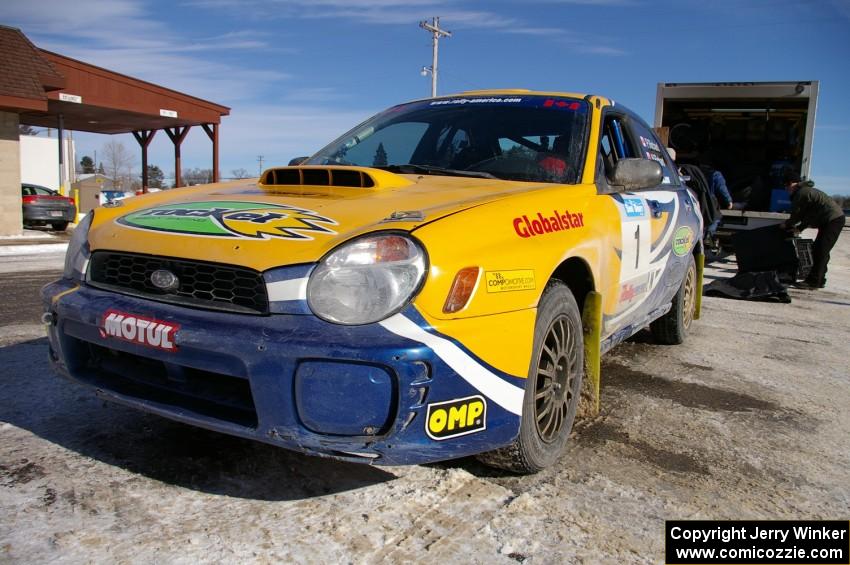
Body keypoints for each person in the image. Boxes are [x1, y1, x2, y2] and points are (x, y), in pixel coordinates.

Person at [781, 168, 846, 289]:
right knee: (819, 249)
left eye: (786, 186)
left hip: (833, 220)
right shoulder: (806, 191)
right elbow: (809, 215)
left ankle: (813, 281)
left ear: (791, 183)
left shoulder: (801, 193)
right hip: (829, 221)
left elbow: (797, 214)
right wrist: (800, 228)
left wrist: (787, 224)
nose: (786, 190)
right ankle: (820, 279)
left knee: (821, 250)